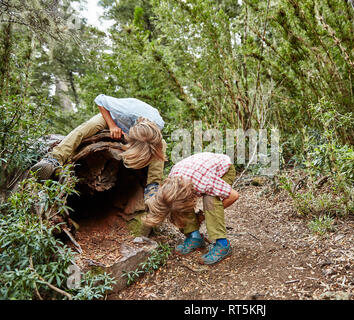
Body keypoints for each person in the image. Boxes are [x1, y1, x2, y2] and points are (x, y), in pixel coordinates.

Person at [30, 94, 166, 199]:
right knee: (88, 127)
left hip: (137, 132)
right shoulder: (125, 111)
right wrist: (112, 125)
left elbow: (154, 146)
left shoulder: (157, 126)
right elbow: (100, 100)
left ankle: (152, 185)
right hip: (112, 118)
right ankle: (54, 158)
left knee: (162, 145)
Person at [142, 152, 239, 265]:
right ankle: (195, 237)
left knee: (210, 200)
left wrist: (203, 215)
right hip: (196, 171)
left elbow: (233, 196)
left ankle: (223, 245)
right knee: (175, 203)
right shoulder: (171, 184)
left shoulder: (205, 183)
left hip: (223, 168)